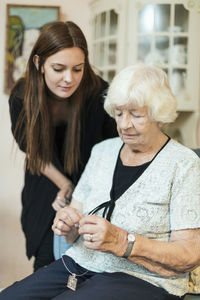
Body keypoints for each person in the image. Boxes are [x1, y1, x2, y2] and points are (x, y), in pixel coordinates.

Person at [2, 63, 200, 300]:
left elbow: (189, 254)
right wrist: (68, 224)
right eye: (118, 113)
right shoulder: (102, 151)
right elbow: (73, 227)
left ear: (160, 115)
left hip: (144, 278)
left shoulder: (184, 164)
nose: (124, 124)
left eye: (136, 115)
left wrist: (122, 241)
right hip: (79, 265)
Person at [8, 21, 117, 271]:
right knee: (47, 264)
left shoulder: (99, 92)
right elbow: (33, 151)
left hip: (92, 190)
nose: (69, 79)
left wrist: (78, 195)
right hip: (45, 188)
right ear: (39, 63)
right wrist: (65, 186)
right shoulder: (21, 97)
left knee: (90, 270)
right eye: (58, 68)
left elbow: (113, 151)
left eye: (77, 69)